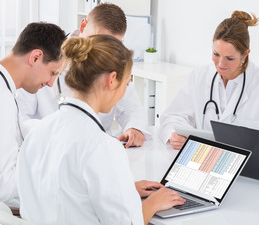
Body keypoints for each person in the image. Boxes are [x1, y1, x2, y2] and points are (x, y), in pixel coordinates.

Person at [17, 35, 185, 225]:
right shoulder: (103, 147)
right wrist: (153, 203)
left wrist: (124, 189)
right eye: (127, 83)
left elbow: (65, 194)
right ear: (112, 80)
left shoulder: (37, 133)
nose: (124, 91)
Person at [16, 3, 150, 148]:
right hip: (50, 146)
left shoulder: (113, 61)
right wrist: (57, 131)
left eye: (112, 44)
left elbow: (131, 107)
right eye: (98, 39)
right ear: (83, 25)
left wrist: (134, 128)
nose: (102, 49)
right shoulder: (46, 54)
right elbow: (21, 120)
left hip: (96, 147)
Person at [159, 11, 259, 149]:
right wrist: (174, 134)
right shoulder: (199, 76)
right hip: (202, 158)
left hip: (245, 165)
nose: (220, 64)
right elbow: (173, 116)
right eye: (216, 54)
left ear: (245, 54)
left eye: (229, 58)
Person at [0, 22, 66, 205]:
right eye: (53, 73)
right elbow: (3, 186)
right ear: (36, 57)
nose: (51, 83)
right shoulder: (3, 99)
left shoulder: (6, 90)